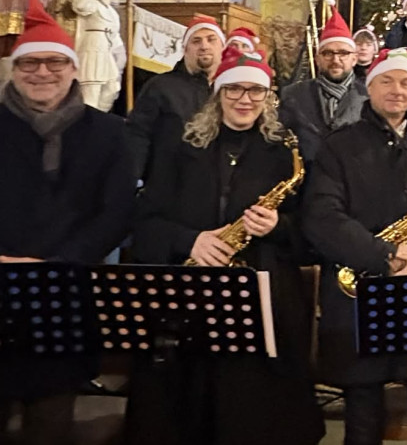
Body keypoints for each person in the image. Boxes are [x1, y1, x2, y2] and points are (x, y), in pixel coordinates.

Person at [0, 0, 134, 445]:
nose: (43, 72)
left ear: (74, 68)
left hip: (64, 298)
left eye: (55, 61)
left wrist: (61, 264)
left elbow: (115, 214)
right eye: (30, 63)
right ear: (13, 70)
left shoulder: (110, 136)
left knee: (51, 423)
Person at [125, 47, 324, 445]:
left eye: (255, 91)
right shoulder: (181, 149)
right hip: (188, 297)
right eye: (234, 90)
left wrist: (279, 226)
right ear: (216, 95)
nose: (244, 99)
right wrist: (190, 241)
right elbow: (142, 224)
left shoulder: (288, 154)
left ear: (268, 98)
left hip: (264, 299)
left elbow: (315, 233)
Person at [304, 47, 407, 445]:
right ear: (370, 87)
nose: (397, 90)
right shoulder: (337, 146)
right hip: (359, 293)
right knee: (363, 418)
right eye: (387, 81)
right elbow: (322, 217)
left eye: (405, 82)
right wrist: (386, 255)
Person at [126, 14, 225, 178]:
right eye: (196, 41)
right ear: (185, 49)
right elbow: (137, 136)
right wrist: (133, 180)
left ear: (222, 46)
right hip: (167, 183)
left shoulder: (230, 90)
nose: (204, 46)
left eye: (211, 39)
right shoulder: (160, 86)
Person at [279, 8, 367, 162]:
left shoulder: (369, 97)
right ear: (318, 59)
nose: (335, 59)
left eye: (343, 53)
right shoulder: (292, 95)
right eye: (328, 53)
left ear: (354, 59)